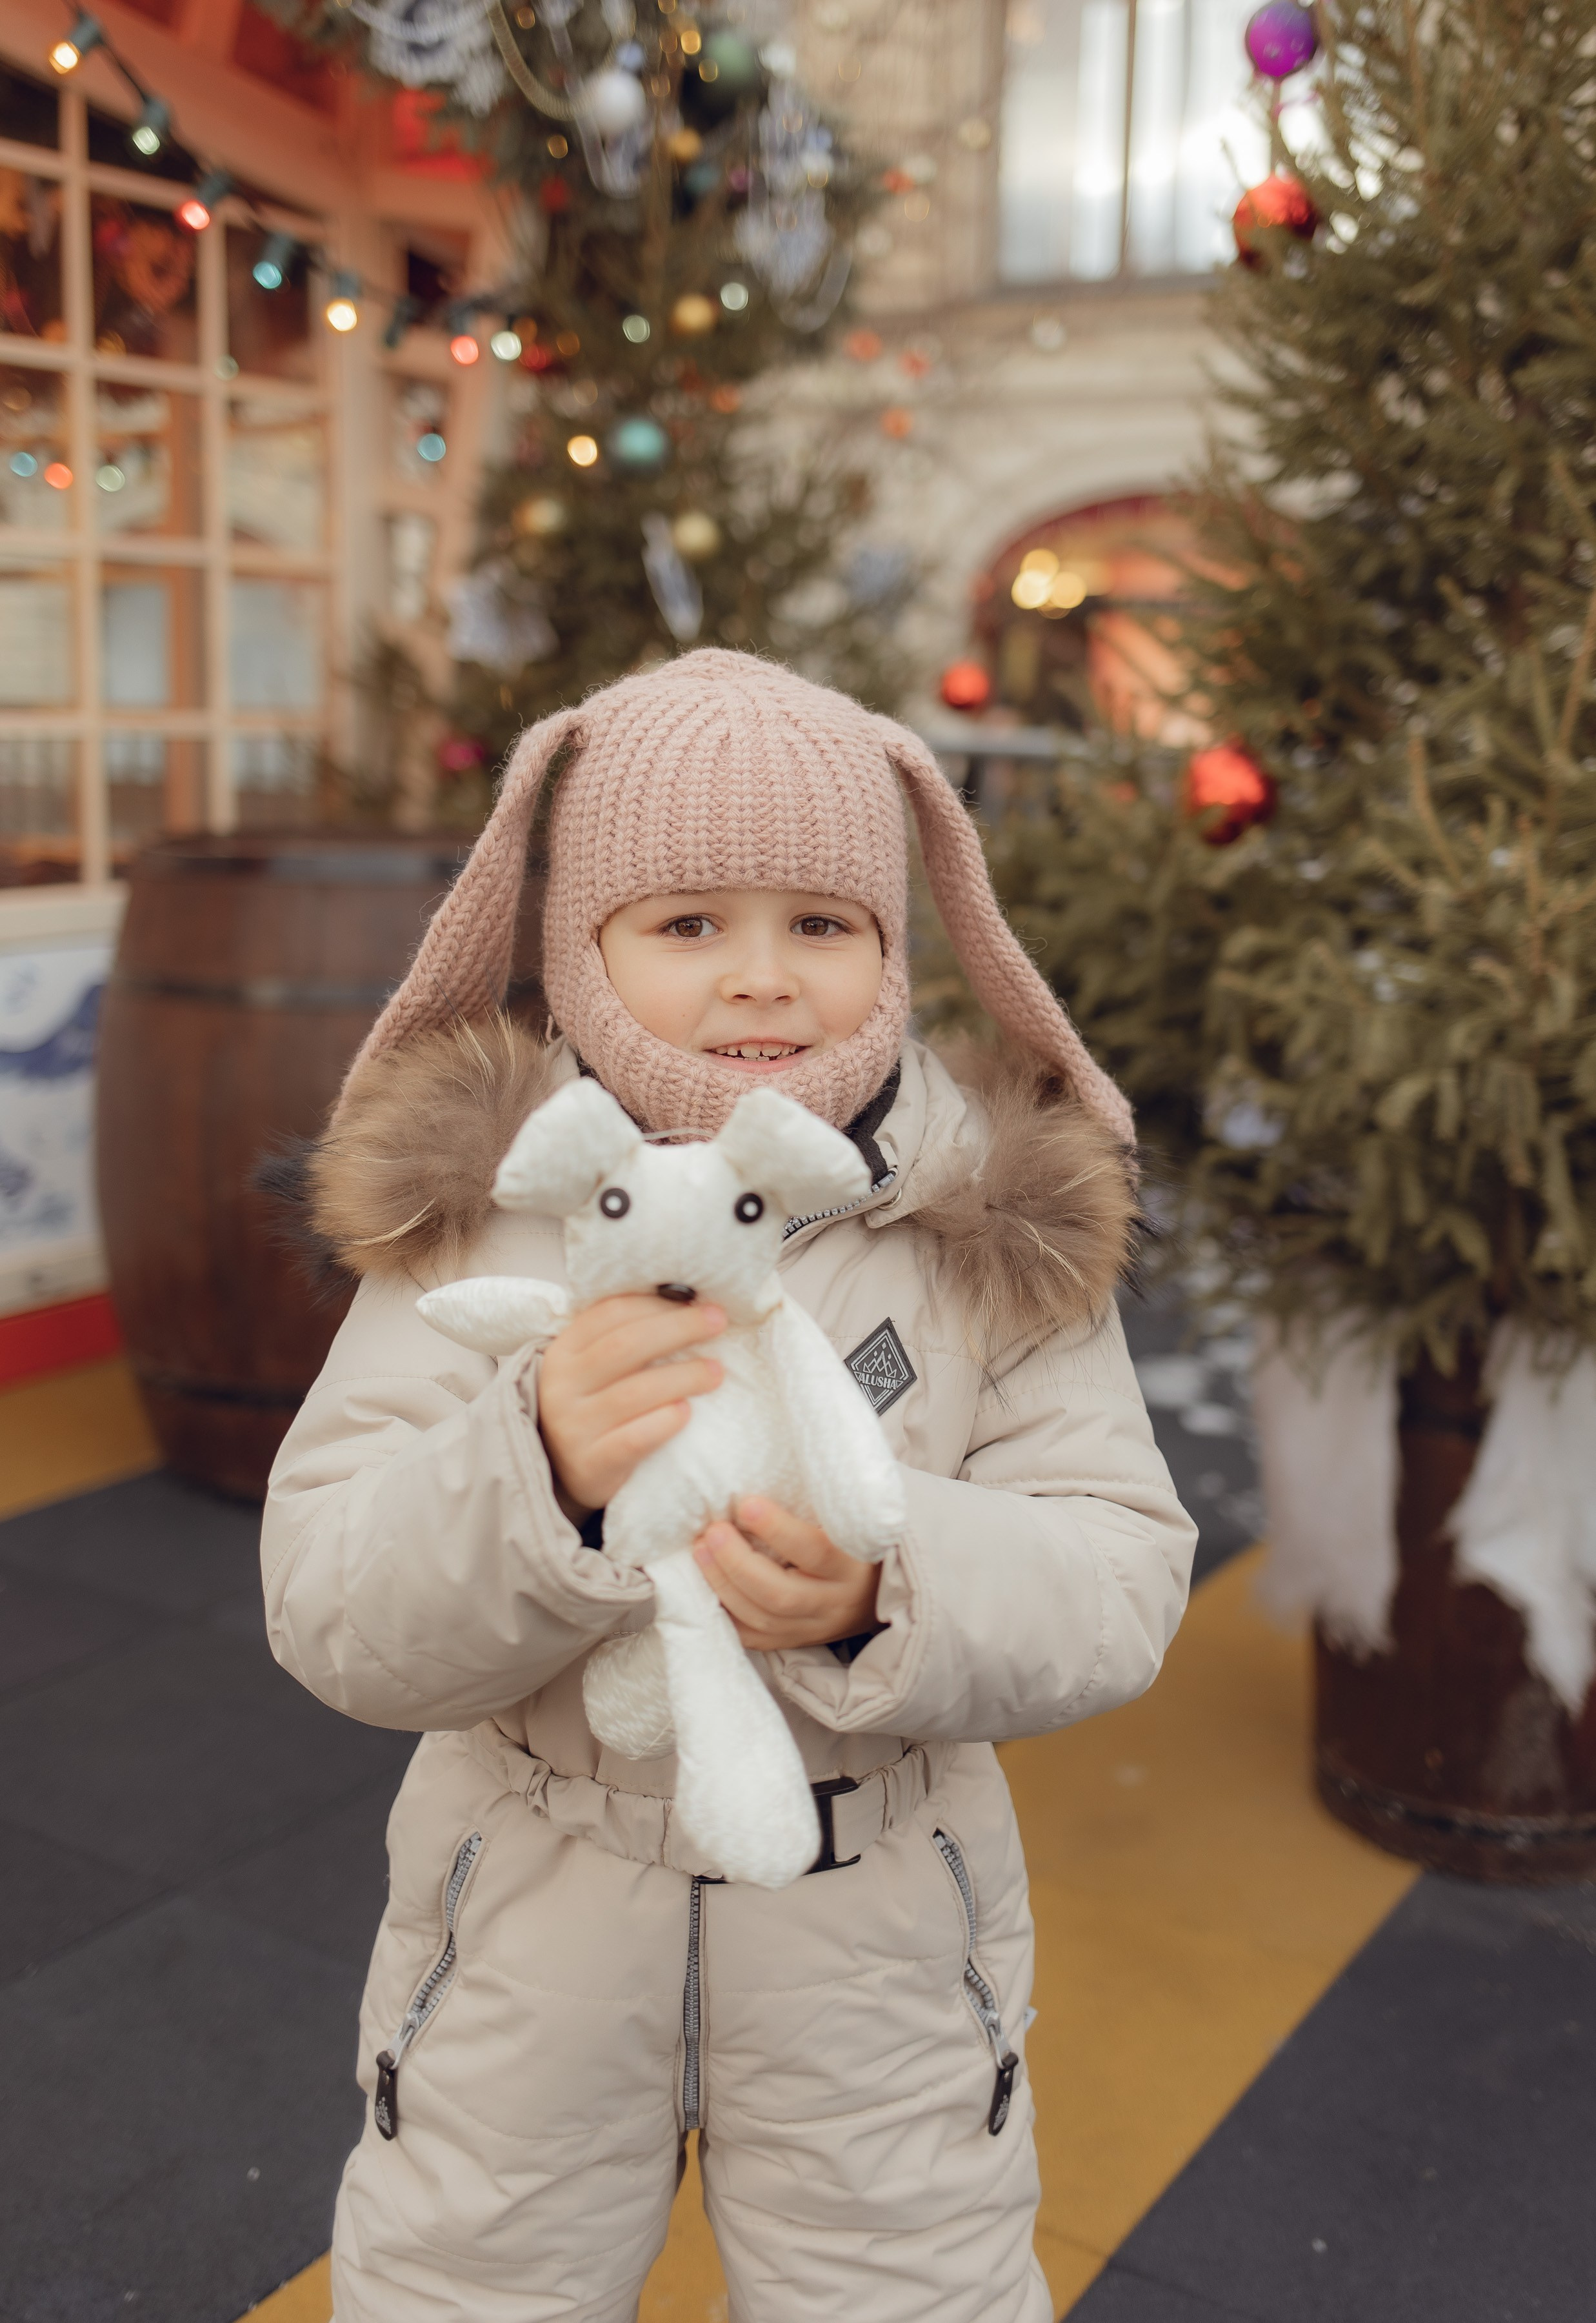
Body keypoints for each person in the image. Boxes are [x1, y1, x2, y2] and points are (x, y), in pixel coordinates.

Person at [263, 649, 1195, 2323]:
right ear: (582, 949)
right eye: (689, 923)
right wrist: (530, 1469)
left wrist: (890, 1583)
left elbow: (1118, 1571)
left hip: (885, 1928)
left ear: (896, 943)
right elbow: (329, 1599)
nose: (763, 981)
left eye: (821, 924)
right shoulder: (478, 1218)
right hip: (531, 1911)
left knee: (902, 2290)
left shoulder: (990, 1226)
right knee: (468, 2285)